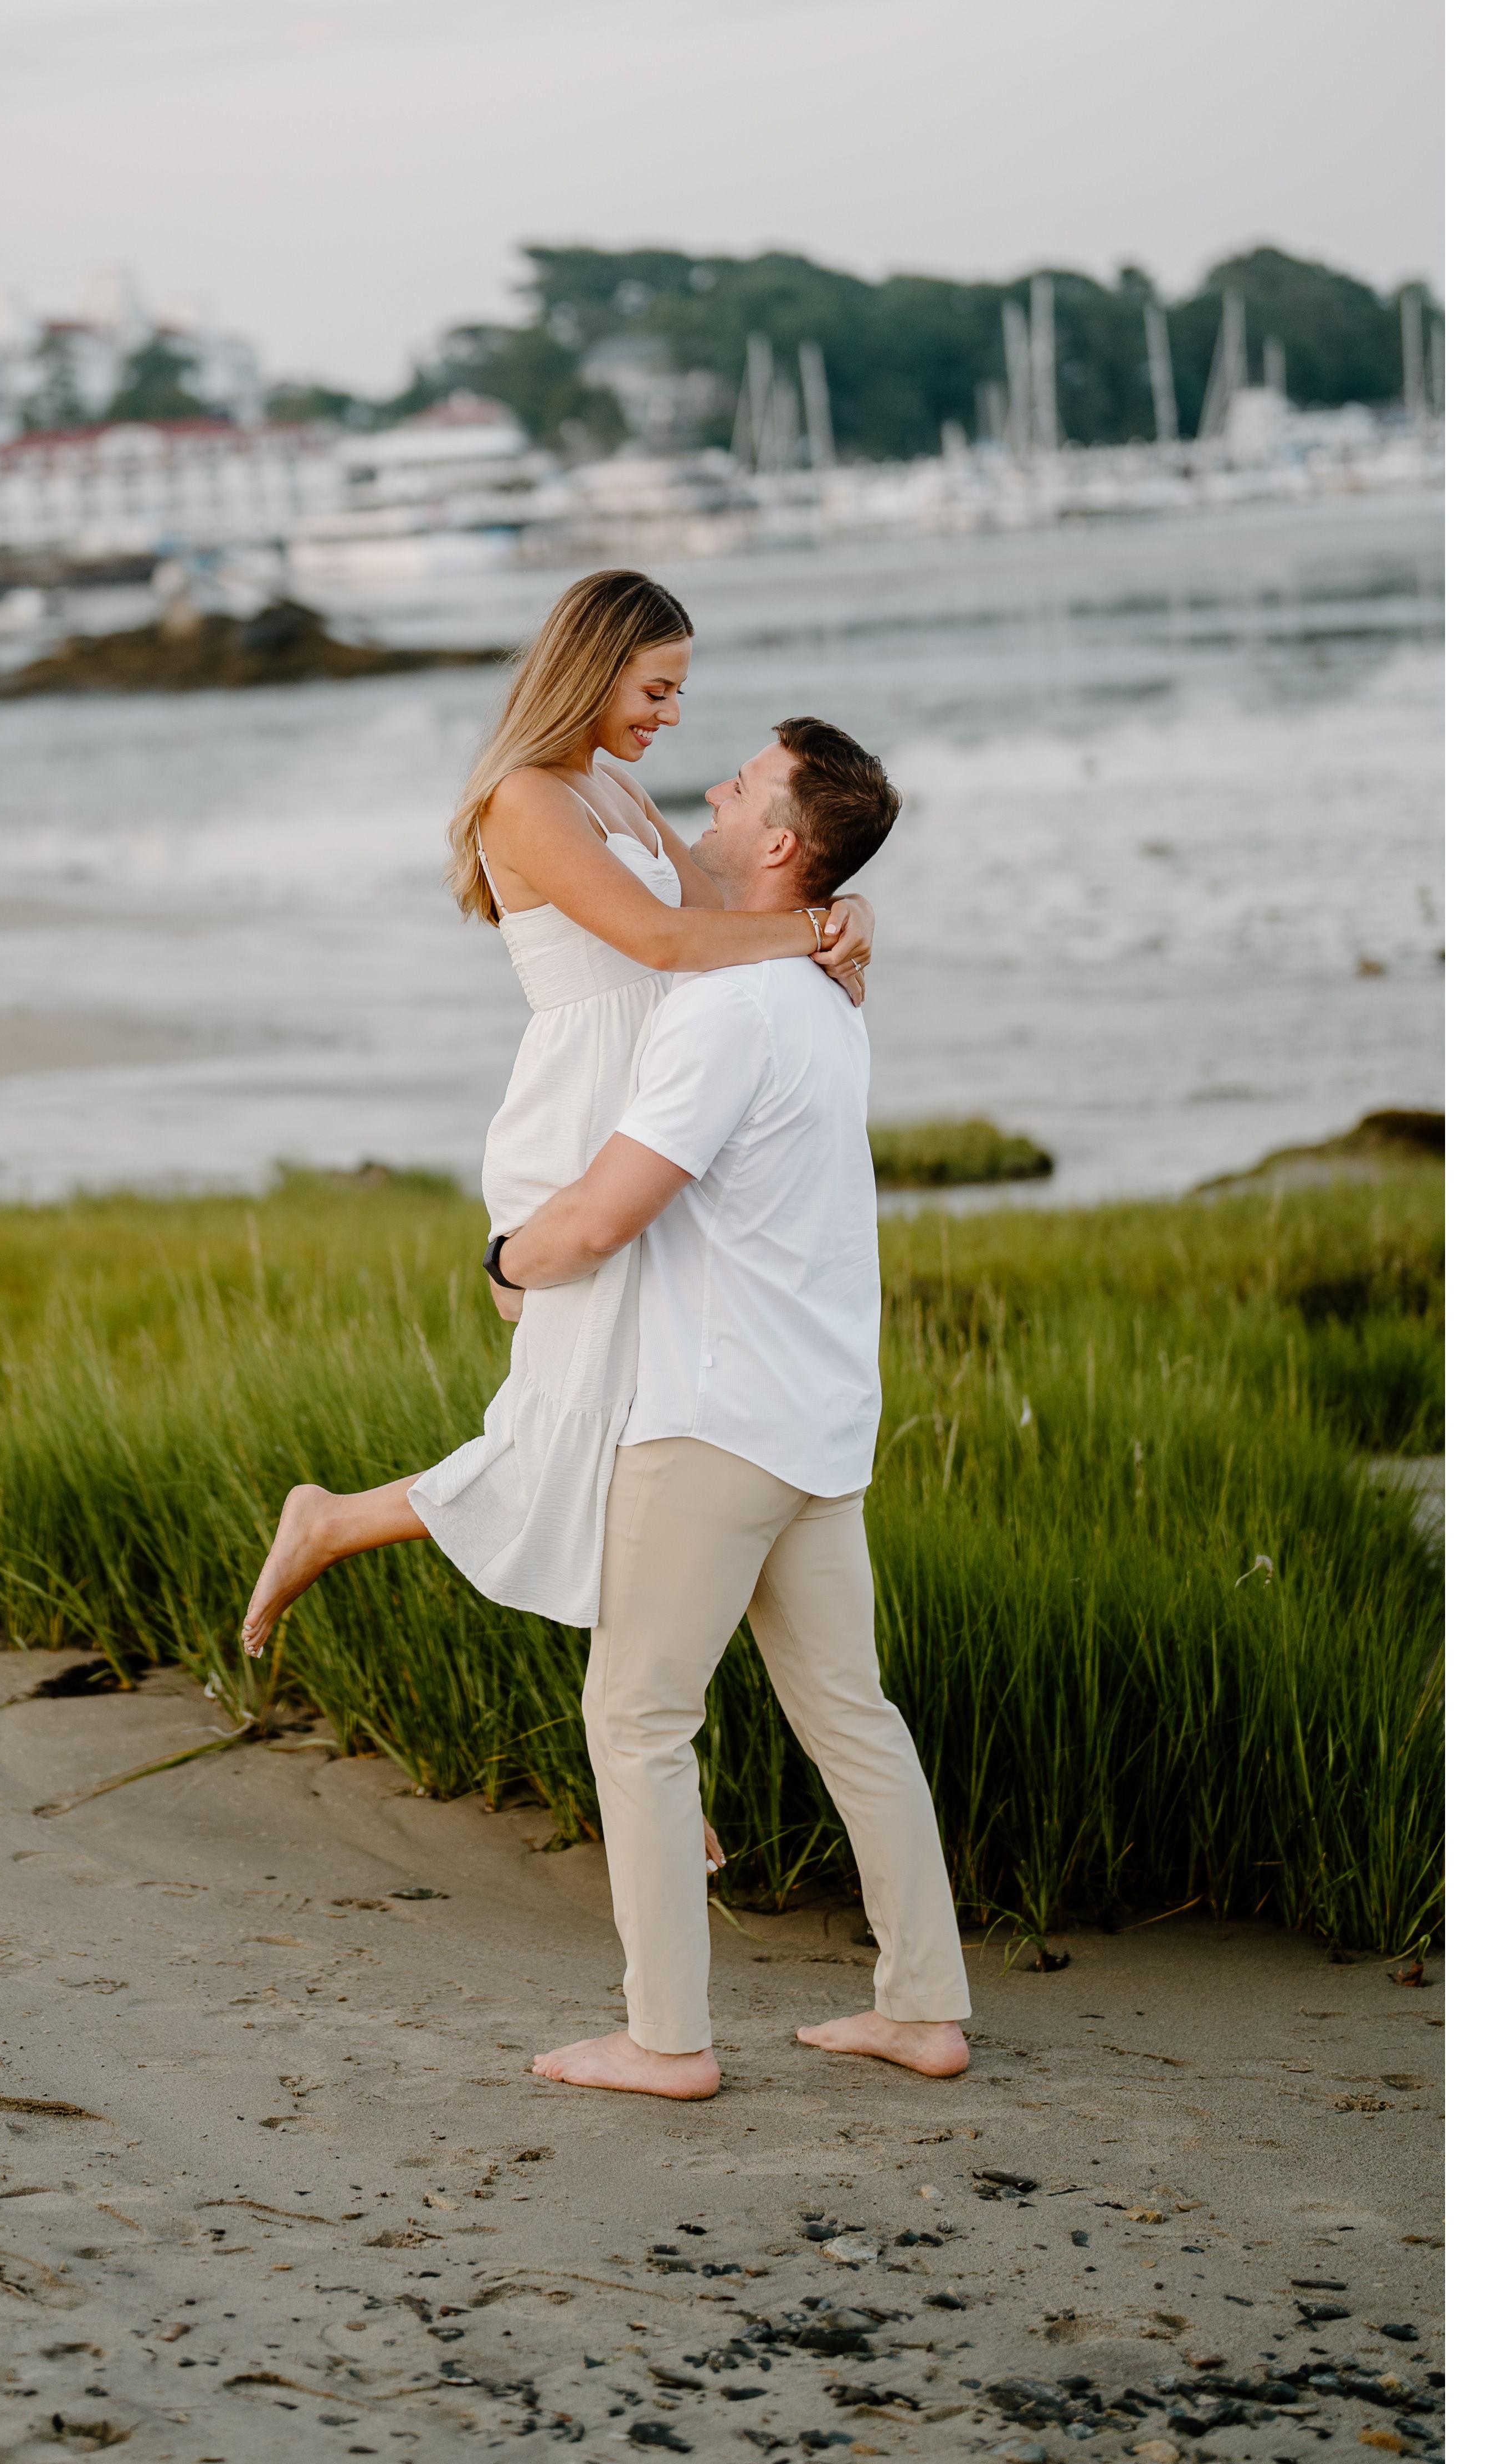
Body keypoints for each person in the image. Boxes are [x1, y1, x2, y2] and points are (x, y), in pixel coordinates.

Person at [239, 571, 873, 1655]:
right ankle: (332, 1525)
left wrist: (845, 907)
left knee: (625, 1429)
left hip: (654, 1108)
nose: (673, 716)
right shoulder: (526, 799)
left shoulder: (614, 791)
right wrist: (822, 931)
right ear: (595, 668)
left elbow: (725, 915)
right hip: (580, 1118)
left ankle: (340, 1522)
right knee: (575, 1429)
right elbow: (664, 941)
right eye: (658, 690)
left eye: (679, 693)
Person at [496, 716, 971, 2099]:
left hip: (714, 1424)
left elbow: (608, 1211)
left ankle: (665, 2040)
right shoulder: (826, 996)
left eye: (746, 783)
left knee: (637, 1721)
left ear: (780, 842)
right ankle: (924, 2012)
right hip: (819, 1424)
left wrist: (509, 1261)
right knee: (854, 1716)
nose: (713, 785)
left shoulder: (730, 1005)